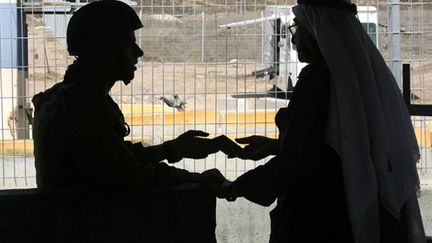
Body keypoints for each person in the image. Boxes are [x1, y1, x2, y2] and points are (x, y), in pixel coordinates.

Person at [212, 0, 427, 242]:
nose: (293, 41)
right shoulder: (356, 76)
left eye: (298, 30)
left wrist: (236, 186)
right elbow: (339, 143)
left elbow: (298, 162)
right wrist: (276, 145)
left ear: (316, 32)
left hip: (323, 218)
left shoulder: (317, 80)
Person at [32, 0, 225, 190]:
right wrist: (196, 178)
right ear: (104, 51)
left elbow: (114, 157)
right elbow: (128, 173)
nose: (138, 52)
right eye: (128, 44)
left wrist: (171, 149)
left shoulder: (73, 98)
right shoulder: (81, 107)